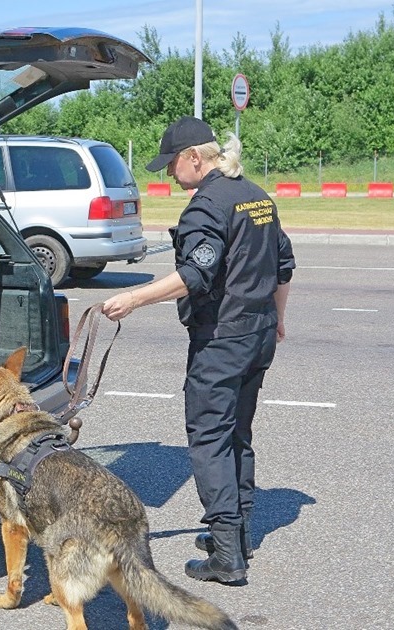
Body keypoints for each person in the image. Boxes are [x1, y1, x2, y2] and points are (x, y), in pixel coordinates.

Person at [102, 115, 295, 585]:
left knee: (209, 439)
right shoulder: (256, 196)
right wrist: (279, 319)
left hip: (222, 339)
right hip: (259, 333)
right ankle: (237, 531)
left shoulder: (205, 207)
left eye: (172, 163)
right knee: (237, 434)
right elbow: (284, 266)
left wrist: (133, 297)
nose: (169, 173)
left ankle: (227, 556)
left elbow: (195, 276)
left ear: (194, 157)